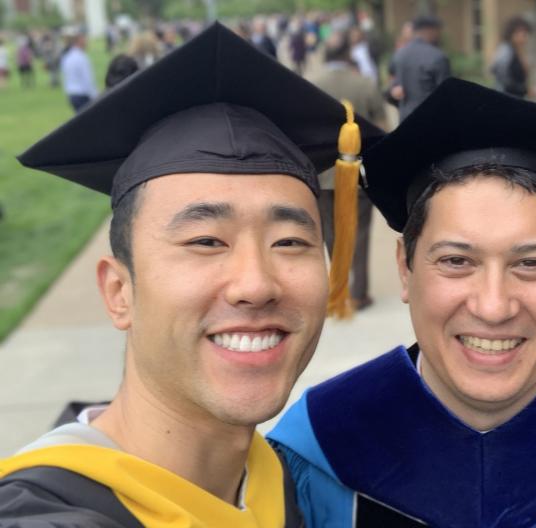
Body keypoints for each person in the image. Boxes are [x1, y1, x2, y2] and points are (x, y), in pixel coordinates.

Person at [269, 78, 536, 527]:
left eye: (531, 263)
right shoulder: (317, 453)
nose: (494, 307)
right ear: (405, 268)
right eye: (457, 260)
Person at [0, 22, 382, 526]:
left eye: (289, 242)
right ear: (119, 292)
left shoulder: (286, 482)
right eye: (206, 241)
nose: (257, 284)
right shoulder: (46, 513)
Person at [308, 31, 387, 311]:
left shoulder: (312, 85)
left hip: (324, 171)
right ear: (347, 56)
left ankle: (337, 288)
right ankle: (359, 293)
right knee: (359, 232)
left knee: (330, 232)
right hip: (357, 168)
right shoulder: (365, 84)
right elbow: (381, 128)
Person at [388, 15, 450, 121]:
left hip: (405, 118)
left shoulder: (399, 54)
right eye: (438, 31)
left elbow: (394, 84)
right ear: (430, 30)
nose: (439, 35)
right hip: (430, 119)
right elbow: (446, 93)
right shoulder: (438, 57)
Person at [491, 15, 532, 98]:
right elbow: (503, 78)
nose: (524, 36)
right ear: (512, 33)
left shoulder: (517, 50)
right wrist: (525, 90)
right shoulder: (505, 51)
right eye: (520, 32)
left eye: (525, 33)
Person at [60, 31, 98, 112]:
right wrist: (95, 96)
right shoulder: (81, 57)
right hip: (82, 94)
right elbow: (87, 79)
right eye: (84, 40)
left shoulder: (67, 56)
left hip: (71, 94)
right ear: (79, 41)